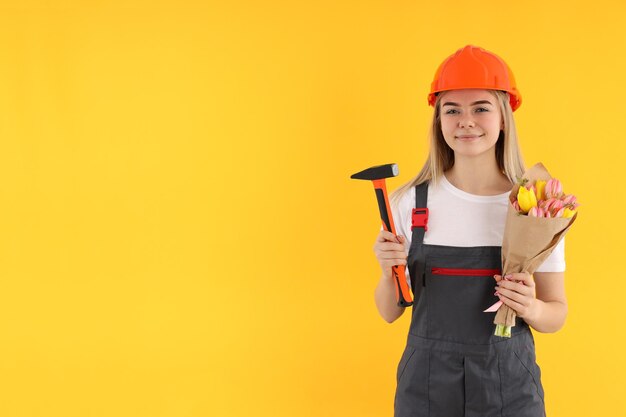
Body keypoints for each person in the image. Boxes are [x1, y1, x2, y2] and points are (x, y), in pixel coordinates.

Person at [373, 45, 567, 417]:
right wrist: (387, 270)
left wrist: (532, 307)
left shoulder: (534, 208)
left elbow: (556, 314)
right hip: (426, 386)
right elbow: (389, 312)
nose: (466, 120)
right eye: (452, 110)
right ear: (438, 121)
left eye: (480, 107)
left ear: (504, 117)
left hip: (508, 384)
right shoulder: (408, 204)